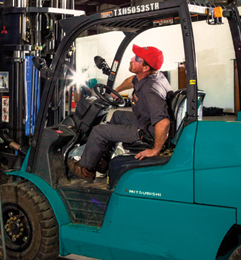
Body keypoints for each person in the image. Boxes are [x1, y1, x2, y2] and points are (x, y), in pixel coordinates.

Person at [68, 44, 172, 182]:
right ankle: (104, 161)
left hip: (147, 133)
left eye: (136, 58)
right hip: (146, 122)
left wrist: (155, 150)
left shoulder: (150, 89)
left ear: (145, 68)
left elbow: (163, 122)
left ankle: (86, 169)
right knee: (117, 116)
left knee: (99, 131)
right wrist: (115, 91)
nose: (131, 58)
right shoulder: (150, 76)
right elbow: (131, 81)